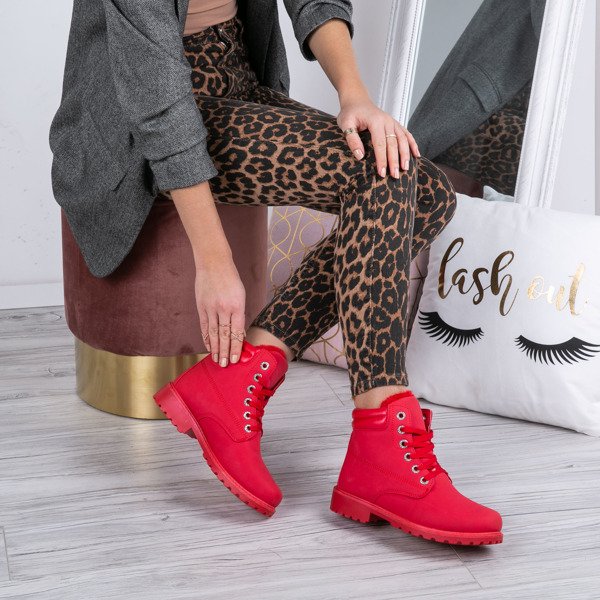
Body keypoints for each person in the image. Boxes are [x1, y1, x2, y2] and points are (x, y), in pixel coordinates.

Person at [51, 0, 503, 546]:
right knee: (380, 178)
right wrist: (214, 262)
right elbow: (157, 97)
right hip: (137, 116)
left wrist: (354, 94)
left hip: (237, 79)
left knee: (426, 192)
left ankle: (245, 372)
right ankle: (382, 436)